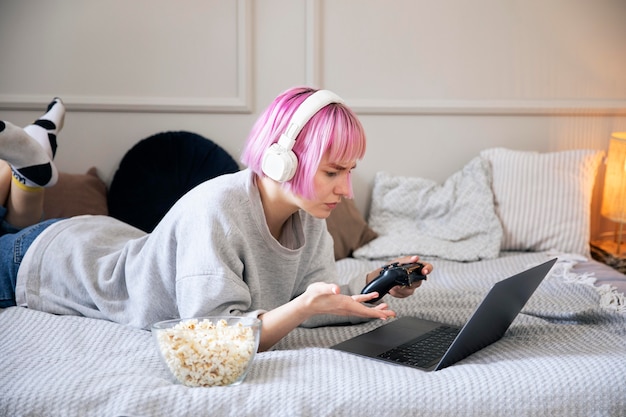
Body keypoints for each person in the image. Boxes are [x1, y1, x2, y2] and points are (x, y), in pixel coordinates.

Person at [0, 87, 432, 352]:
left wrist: (375, 286)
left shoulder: (309, 214)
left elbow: (310, 303)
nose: (346, 189)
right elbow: (216, 336)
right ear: (281, 161)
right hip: (53, 260)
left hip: (105, 239)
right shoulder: (218, 210)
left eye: (349, 171)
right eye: (333, 172)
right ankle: (25, 168)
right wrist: (304, 306)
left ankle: (28, 170)